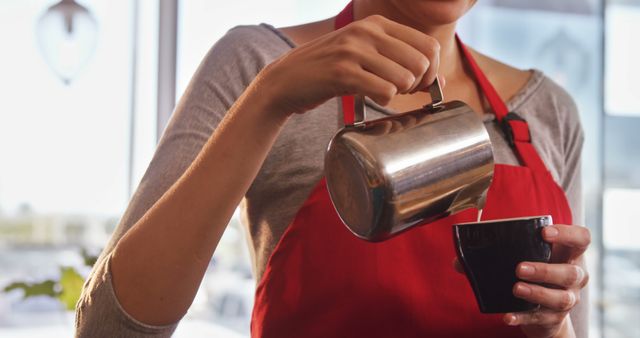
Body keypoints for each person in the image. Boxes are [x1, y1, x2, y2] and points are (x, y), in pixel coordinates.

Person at [75, 1, 591, 337]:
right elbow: (106, 329)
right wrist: (270, 99)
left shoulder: (548, 111)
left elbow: (572, 325)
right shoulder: (258, 65)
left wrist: (552, 327)